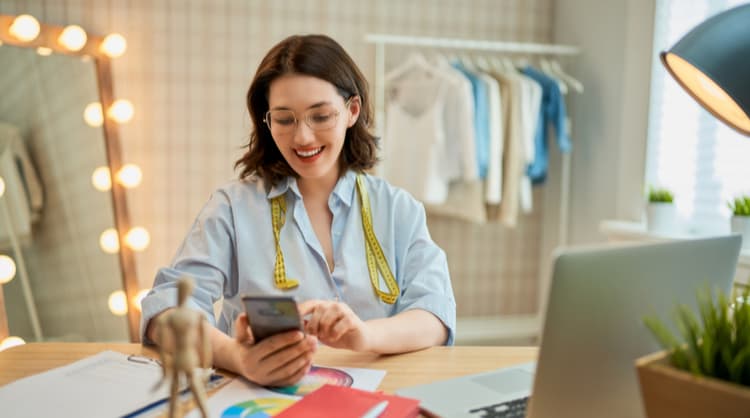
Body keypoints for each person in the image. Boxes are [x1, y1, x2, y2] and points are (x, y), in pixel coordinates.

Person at [141, 34, 456, 387]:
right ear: (267, 120)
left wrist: (363, 335)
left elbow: (435, 315)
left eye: (320, 116)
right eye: (285, 119)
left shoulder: (398, 209)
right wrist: (238, 357)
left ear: (352, 111)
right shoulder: (231, 208)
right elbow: (165, 311)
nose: (303, 138)